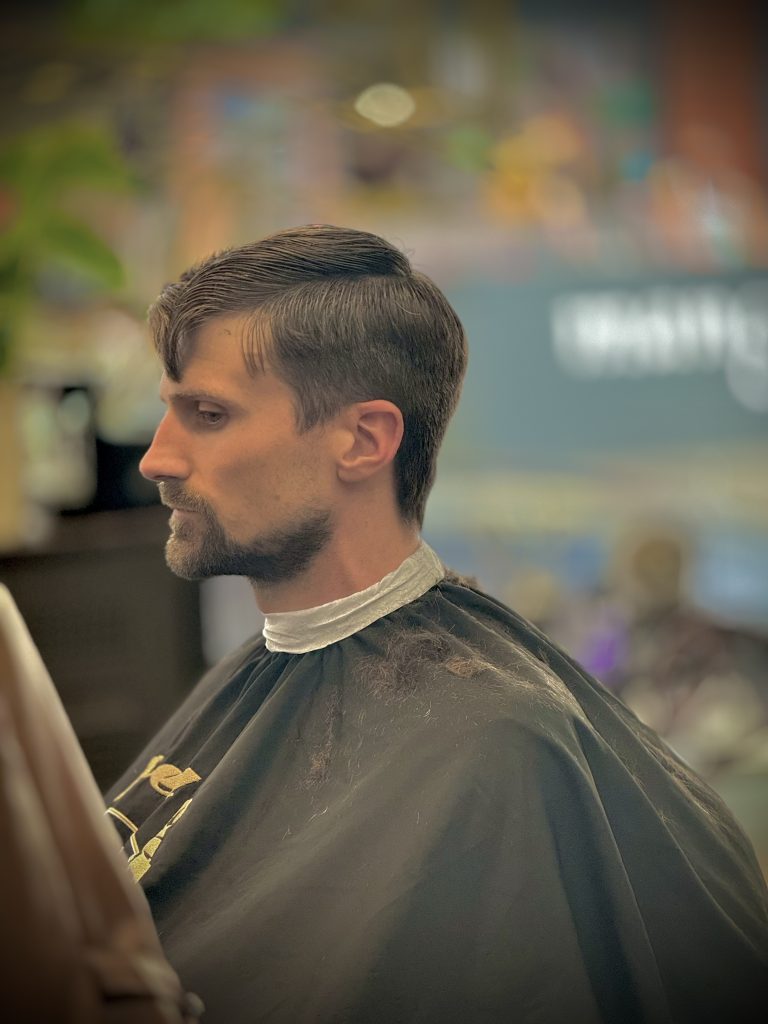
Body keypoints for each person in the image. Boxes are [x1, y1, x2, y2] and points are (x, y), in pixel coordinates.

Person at [105, 225, 768, 1023]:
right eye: (168, 411)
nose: (157, 457)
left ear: (365, 439)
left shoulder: (494, 739)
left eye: (207, 414)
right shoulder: (253, 678)